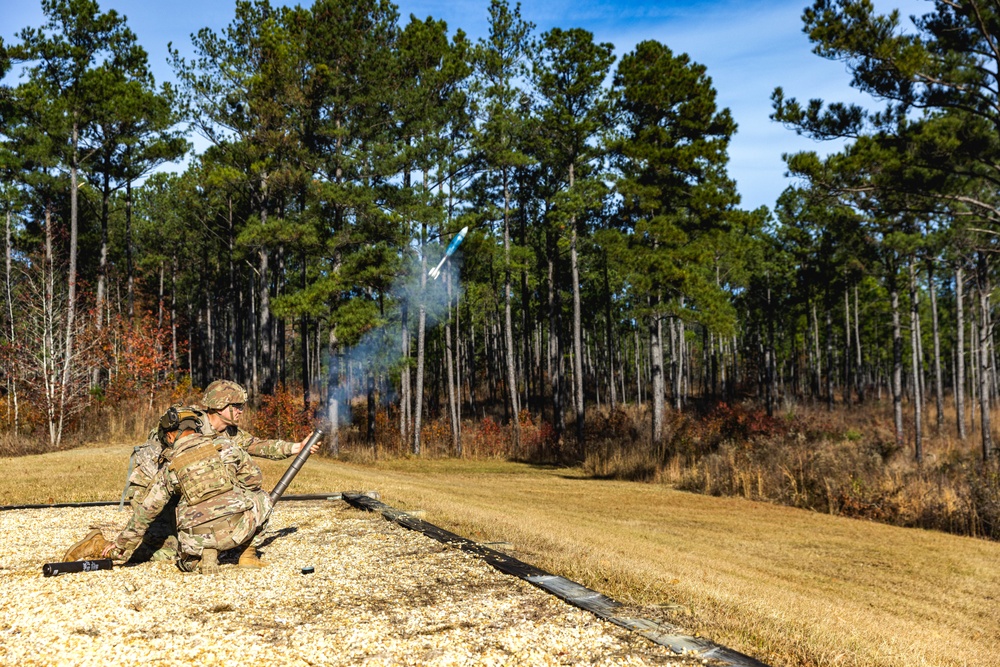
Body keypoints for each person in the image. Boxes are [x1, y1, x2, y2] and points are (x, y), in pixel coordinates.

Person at [63, 380, 317, 564]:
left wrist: (296, 447)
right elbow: (159, 474)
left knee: (189, 545)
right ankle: (97, 543)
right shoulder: (185, 424)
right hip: (156, 494)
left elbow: (255, 445)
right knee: (161, 551)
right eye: (236, 405)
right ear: (220, 406)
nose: (241, 410)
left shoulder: (229, 433)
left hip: (183, 497)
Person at [98, 431, 275, 574]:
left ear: (170, 437)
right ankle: (248, 555)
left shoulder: (170, 466)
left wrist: (121, 543)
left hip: (194, 539)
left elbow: (146, 511)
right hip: (235, 530)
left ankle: (197, 558)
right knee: (262, 497)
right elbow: (254, 481)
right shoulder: (225, 446)